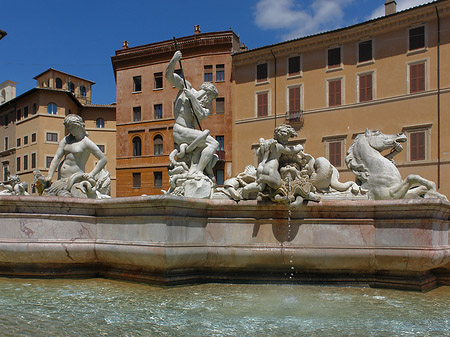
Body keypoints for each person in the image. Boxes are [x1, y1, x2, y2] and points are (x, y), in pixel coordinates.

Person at [165, 50, 219, 178]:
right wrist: (174, 60)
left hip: (190, 135)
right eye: (210, 98)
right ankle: (198, 172)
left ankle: (200, 171)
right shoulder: (186, 87)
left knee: (214, 156)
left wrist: (193, 99)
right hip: (180, 130)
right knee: (214, 143)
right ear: (206, 92)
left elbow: (200, 114)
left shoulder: (205, 109)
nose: (209, 101)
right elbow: (169, 76)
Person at [43, 114, 108, 197]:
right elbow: (57, 157)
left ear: (78, 126)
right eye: (68, 128)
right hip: (61, 179)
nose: (69, 130)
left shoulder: (86, 142)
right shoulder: (66, 140)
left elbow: (103, 159)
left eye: (71, 127)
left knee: (64, 197)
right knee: (48, 195)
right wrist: (50, 176)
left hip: (75, 179)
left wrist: (91, 174)